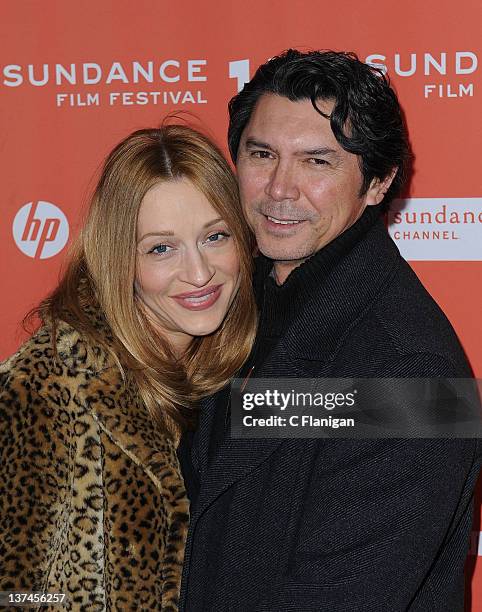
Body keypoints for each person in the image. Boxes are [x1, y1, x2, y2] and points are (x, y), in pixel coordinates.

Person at [177, 50, 482, 611]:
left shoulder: (410, 371)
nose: (279, 189)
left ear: (377, 183)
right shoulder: (216, 303)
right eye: (261, 154)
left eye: (317, 162)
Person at [0, 125, 257, 610]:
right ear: (120, 259)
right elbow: (16, 591)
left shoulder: (234, 365)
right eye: (161, 248)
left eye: (215, 236)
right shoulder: (45, 387)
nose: (199, 273)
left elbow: (407, 409)